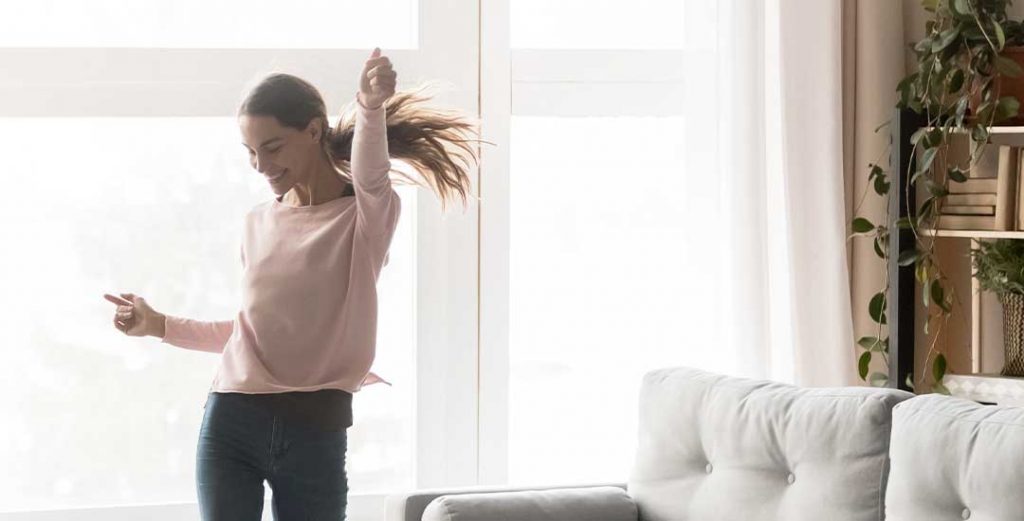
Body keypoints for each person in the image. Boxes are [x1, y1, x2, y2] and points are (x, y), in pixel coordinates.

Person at [102, 47, 480, 520]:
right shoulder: (258, 223)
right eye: (250, 152)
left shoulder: (364, 218)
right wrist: (160, 325)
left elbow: (370, 172)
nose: (260, 165)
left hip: (315, 433)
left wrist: (369, 107)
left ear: (314, 130)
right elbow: (253, 335)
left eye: (273, 147)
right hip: (231, 422)